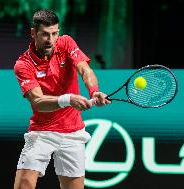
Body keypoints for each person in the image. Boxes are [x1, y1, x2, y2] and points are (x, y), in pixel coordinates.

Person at [13, 9, 111, 189]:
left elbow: (85, 70)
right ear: (33, 33)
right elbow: (38, 101)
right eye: (45, 34)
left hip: (72, 132)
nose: (50, 39)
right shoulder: (23, 65)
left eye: (54, 33)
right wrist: (68, 99)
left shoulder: (65, 43)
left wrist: (94, 91)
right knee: (23, 185)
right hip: (42, 132)